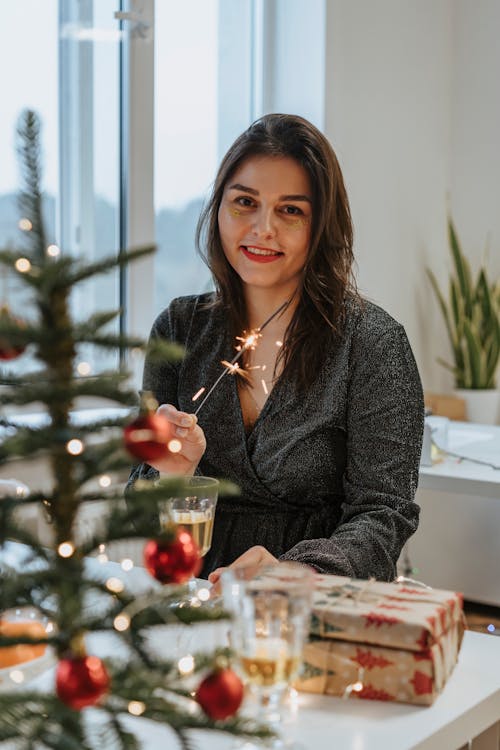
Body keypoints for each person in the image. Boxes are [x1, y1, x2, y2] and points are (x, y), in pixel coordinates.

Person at [127, 113, 424, 585]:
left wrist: (297, 571)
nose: (263, 228)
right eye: (245, 202)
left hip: (318, 605)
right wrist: (174, 478)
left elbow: (384, 514)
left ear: (321, 225)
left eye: (291, 210)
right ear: (219, 209)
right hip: (195, 601)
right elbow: (142, 515)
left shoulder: (373, 343)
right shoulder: (178, 330)